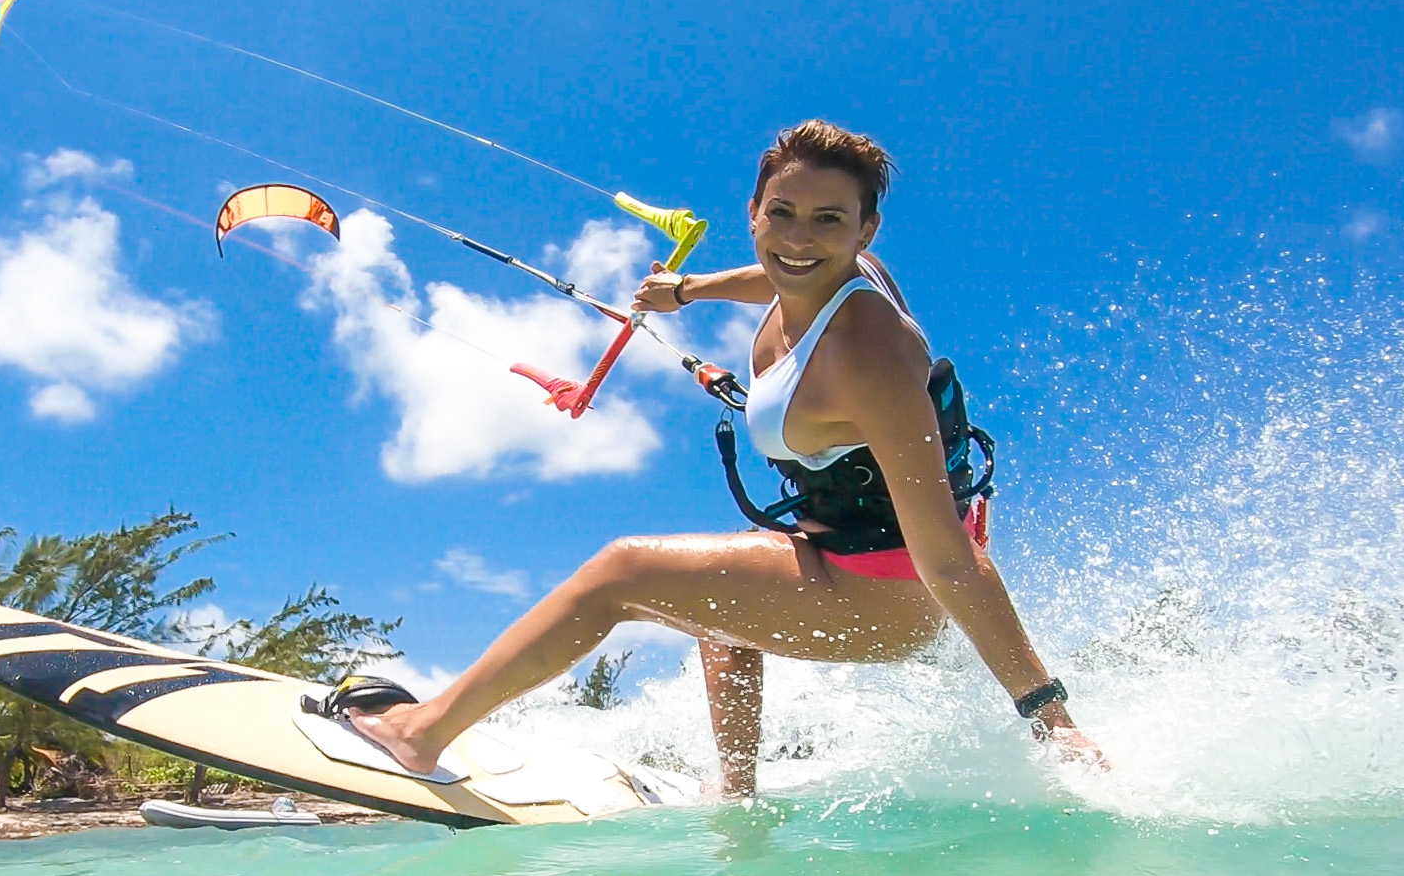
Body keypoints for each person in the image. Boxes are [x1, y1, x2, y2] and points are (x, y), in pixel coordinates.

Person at [350, 120, 1101, 795]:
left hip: (899, 602)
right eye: (782, 213)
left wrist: (1048, 717)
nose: (799, 238)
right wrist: (686, 291)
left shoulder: (866, 354)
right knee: (715, 583)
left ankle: (421, 733)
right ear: (753, 213)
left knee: (622, 572)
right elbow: (779, 273)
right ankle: (736, 795)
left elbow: (949, 560)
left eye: (829, 220)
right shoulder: (835, 273)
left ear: (864, 230)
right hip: (847, 557)